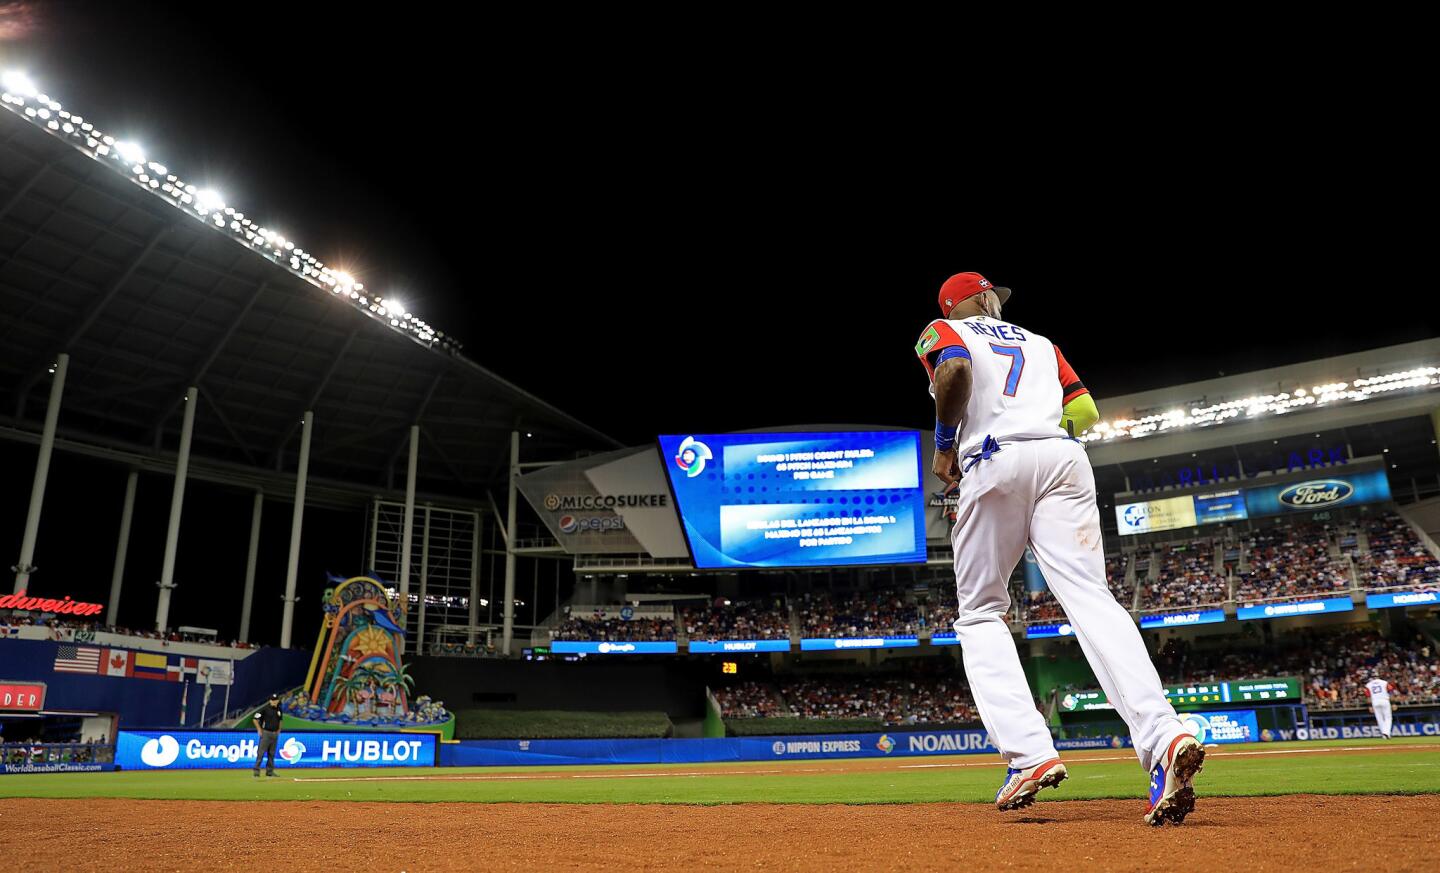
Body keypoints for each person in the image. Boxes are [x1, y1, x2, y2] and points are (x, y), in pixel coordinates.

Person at [916, 272, 1205, 826]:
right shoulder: (1043, 344)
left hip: (994, 458)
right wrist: (1044, 433)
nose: (997, 300)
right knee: (1091, 598)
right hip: (1064, 459)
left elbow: (953, 371)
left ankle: (1028, 754)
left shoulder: (942, 330)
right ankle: (1165, 735)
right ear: (976, 298)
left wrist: (946, 448)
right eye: (991, 294)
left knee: (980, 614)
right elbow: (1088, 413)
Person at [252, 692, 283, 777]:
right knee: (261, 753)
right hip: (266, 733)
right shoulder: (264, 709)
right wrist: (259, 729)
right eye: (272, 700)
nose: (274, 702)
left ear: (278, 700)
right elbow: (255, 719)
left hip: (274, 734)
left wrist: (279, 730)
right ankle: (256, 771)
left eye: (275, 700)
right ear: (270, 701)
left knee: (271, 754)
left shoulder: (279, 710)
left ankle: (269, 771)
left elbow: (280, 720)